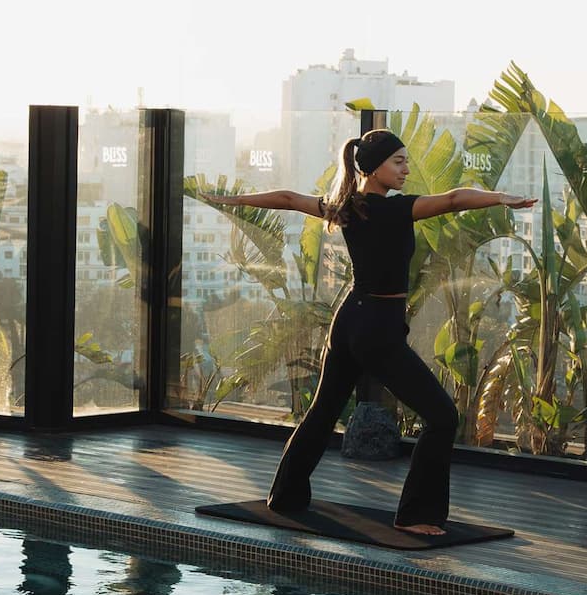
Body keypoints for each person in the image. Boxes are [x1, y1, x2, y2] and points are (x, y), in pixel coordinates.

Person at [202, 129, 537, 535]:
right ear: (373, 167)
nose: (406, 170)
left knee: (322, 413)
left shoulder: (345, 208)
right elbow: (452, 199)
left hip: (349, 321)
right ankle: (417, 517)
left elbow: (288, 199)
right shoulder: (394, 210)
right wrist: (502, 198)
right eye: (398, 162)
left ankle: (285, 496)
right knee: (443, 417)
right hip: (377, 325)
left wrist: (236, 202)